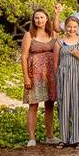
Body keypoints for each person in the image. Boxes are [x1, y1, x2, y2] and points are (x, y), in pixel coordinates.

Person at [21, 9, 58, 146]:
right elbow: (24, 57)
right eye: (37, 18)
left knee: (50, 105)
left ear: (47, 19)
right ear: (33, 20)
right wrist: (26, 77)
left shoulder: (53, 33)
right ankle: (31, 138)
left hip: (50, 73)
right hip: (34, 74)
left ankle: (50, 136)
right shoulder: (29, 35)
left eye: (42, 17)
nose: (39, 20)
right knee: (33, 105)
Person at [54, 16, 79, 148]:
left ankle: (78, 138)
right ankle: (64, 138)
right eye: (69, 26)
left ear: (78, 28)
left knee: (78, 105)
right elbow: (56, 64)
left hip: (78, 75)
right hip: (63, 76)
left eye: (74, 26)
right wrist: (57, 79)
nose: (71, 29)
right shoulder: (59, 43)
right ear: (65, 27)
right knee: (64, 105)